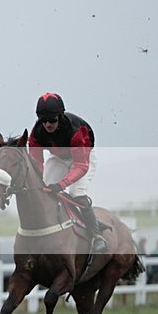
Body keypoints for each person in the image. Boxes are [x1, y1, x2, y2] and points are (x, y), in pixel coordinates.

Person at [28, 92, 108, 253]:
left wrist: (61, 184)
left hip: (83, 158)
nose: (47, 124)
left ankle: (96, 235)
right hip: (58, 157)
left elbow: (81, 166)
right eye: (43, 120)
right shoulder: (36, 133)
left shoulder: (75, 132)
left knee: (77, 192)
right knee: (46, 189)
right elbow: (37, 163)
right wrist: (42, 183)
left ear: (60, 116)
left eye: (52, 120)